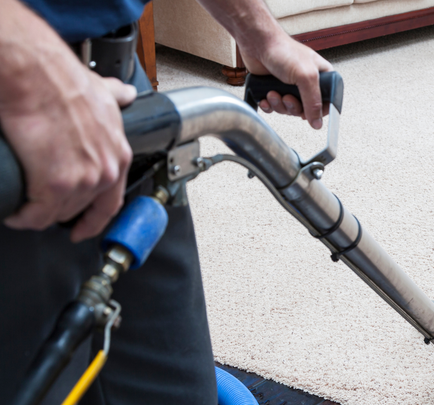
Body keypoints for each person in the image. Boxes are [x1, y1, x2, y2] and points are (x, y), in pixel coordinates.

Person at [0, 0, 332, 403]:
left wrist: (258, 34)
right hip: (20, 112)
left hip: (116, 76)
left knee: (179, 387)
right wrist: (20, 56)